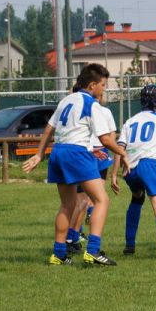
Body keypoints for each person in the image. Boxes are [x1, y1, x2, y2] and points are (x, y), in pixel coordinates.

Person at [23, 63, 130, 265]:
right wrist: (123, 153)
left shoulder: (66, 101)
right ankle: (93, 251)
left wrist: (39, 155)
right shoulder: (92, 104)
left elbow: (48, 129)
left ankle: (59, 254)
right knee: (101, 200)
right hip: (76, 153)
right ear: (92, 85)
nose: (103, 89)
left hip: (58, 152)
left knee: (67, 204)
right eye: (103, 85)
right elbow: (106, 140)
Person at [111, 85, 156, 259]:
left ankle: (129, 246)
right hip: (149, 165)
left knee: (137, 198)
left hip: (130, 167)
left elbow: (120, 148)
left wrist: (113, 174)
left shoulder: (130, 121)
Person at [66, 87, 117, 254]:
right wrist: (119, 154)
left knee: (83, 200)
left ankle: (73, 235)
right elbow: (110, 137)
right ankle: (76, 238)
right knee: (91, 200)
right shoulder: (103, 111)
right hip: (97, 155)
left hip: (84, 154)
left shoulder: (76, 110)